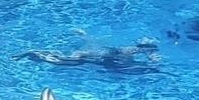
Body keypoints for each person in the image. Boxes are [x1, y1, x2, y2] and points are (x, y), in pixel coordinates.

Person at [15, 37, 161, 71]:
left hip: (102, 56)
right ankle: (32, 52)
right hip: (101, 57)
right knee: (63, 60)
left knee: (63, 60)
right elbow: (151, 59)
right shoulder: (131, 50)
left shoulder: (131, 50)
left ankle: (34, 54)